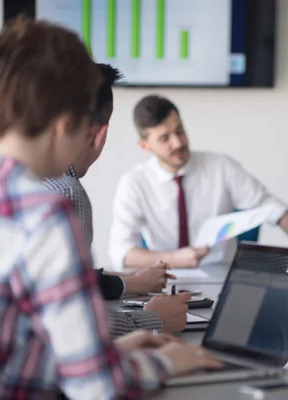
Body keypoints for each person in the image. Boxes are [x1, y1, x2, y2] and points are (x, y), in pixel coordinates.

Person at [0, 18, 221, 398]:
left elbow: (11, 346)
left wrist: (110, 351)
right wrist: (164, 362)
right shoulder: (46, 213)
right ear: (65, 125)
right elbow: (96, 388)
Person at [43, 64, 191, 337]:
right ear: (99, 133)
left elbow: (52, 288)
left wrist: (128, 283)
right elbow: (77, 323)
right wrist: (153, 320)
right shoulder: (66, 192)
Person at [108, 95, 288, 270]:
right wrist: (174, 259)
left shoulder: (221, 166)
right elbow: (121, 253)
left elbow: (275, 210)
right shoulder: (134, 184)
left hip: (222, 278)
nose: (178, 142)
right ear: (144, 146)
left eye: (180, 131)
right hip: (163, 281)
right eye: (165, 138)